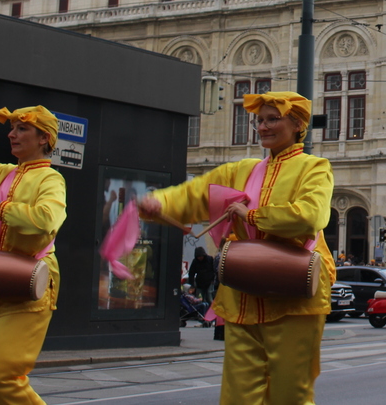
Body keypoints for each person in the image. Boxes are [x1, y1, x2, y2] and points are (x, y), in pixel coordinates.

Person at [139, 91, 334, 405]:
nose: (263, 127)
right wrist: (158, 203)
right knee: (237, 397)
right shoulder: (238, 171)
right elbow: (195, 194)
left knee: (289, 396)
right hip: (242, 294)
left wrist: (253, 216)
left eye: (273, 119)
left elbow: (310, 217)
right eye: (260, 120)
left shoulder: (314, 168)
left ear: (298, 124)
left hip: (293, 297)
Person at [0, 106, 67, 405]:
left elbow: (47, 220)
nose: (12, 134)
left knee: (2, 375)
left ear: (44, 138)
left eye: (21, 129)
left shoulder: (51, 179)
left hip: (28, 284)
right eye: (12, 128)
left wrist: (1, 208)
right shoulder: (3, 172)